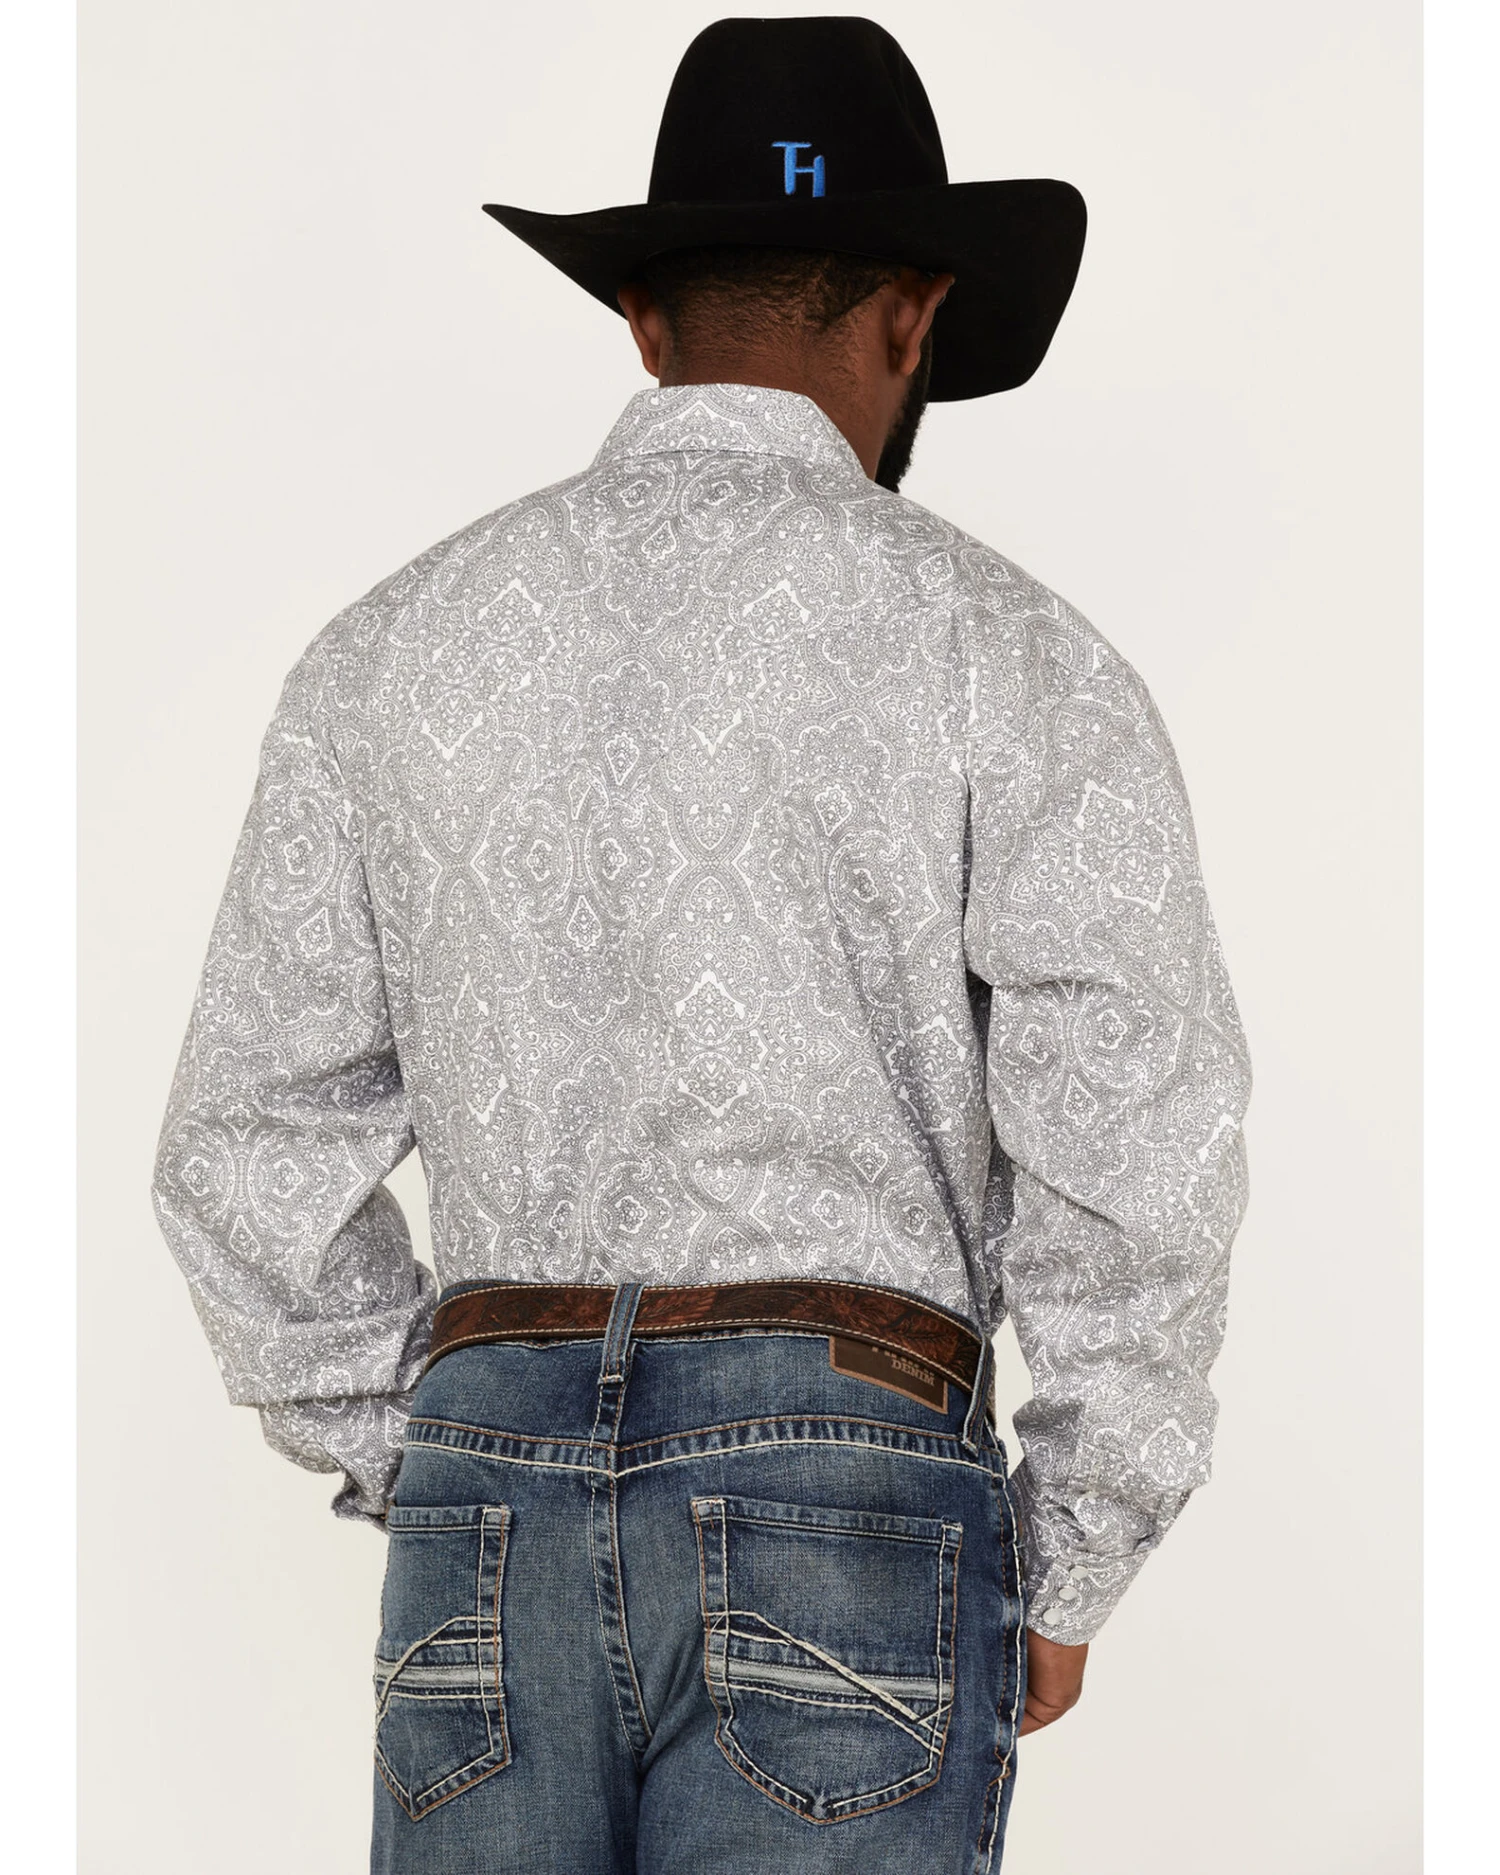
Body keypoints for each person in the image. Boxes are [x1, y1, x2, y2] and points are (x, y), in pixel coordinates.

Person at [150, 17, 1252, 1873]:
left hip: (485, 1495)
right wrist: (1078, 1544)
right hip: (853, 1492)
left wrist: (448, 1451)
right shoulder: (1012, 652)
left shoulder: (390, 652)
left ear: (643, 321)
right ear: (914, 316)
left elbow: (241, 1142)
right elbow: (1139, 1126)